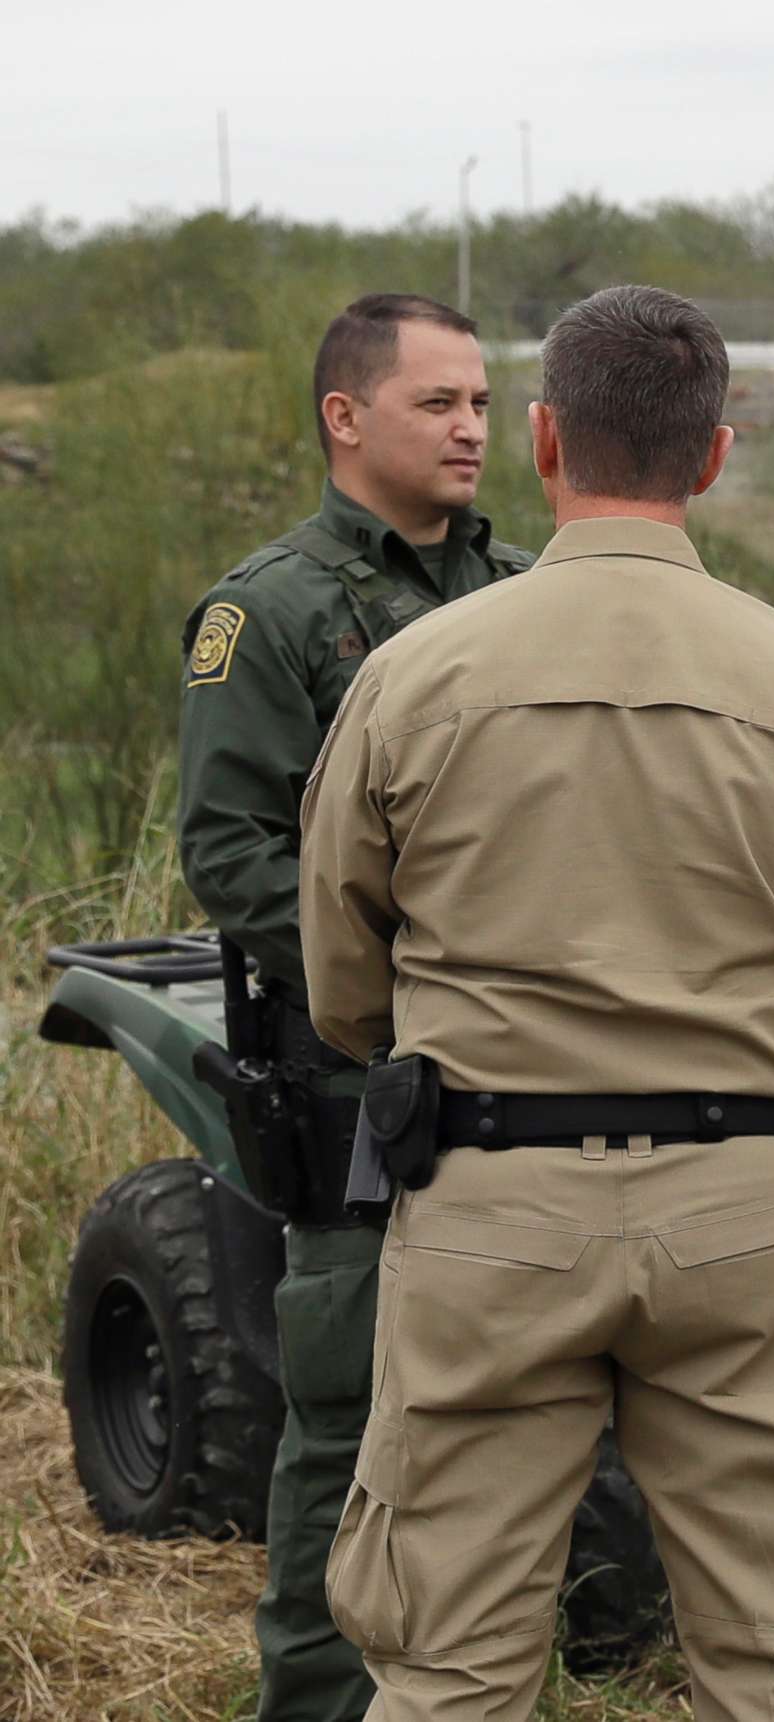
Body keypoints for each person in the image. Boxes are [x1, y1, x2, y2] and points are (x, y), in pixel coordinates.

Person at [301, 284, 774, 1721]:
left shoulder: (412, 674)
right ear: (712, 456)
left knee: (447, 1663)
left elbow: (341, 979)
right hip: (746, 1208)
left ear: (542, 439)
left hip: (487, 1204)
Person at [176, 291, 531, 1722]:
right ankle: (319, 1697)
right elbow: (234, 852)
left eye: (485, 404)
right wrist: (395, 986)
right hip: (360, 1076)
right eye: (438, 402)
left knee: (538, 1396)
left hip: (533, 1067)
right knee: (347, 1414)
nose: (470, 428)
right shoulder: (269, 611)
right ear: (346, 415)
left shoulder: (526, 589)